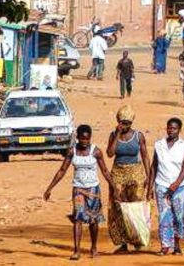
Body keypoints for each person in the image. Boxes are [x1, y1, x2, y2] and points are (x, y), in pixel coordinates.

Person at [43, 124, 114, 260]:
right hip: (78, 189)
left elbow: (105, 171)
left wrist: (114, 188)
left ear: (90, 138)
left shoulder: (96, 152)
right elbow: (62, 170)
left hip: (93, 189)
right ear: (77, 137)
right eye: (82, 139)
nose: (84, 141)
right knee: (78, 219)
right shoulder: (72, 151)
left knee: (94, 220)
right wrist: (50, 188)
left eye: (87, 139)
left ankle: (93, 247)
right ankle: (77, 250)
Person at [105, 105, 150, 253]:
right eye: (121, 123)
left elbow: (145, 156)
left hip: (135, 172)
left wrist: (149, 176)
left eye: (127, 123)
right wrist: (117, 134)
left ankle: (137, 239)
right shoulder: (113, 135)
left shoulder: (138, 136)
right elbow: (110, 154)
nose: (124, 126)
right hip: (118, 172)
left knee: (135, 206)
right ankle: (123, 242)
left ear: (131, 123)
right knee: (119, 207)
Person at [148, 118, 184, 256]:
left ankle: (177, 245)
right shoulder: (159, 145)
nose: (171, 130)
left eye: (174, 128)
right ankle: (165, 246)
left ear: (179, 130)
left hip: (180, 187)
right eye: (169, 128)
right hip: (161, 185)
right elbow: (154, 166)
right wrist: (149, 187)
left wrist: (176, 184)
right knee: (164, 216)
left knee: (179, 216)